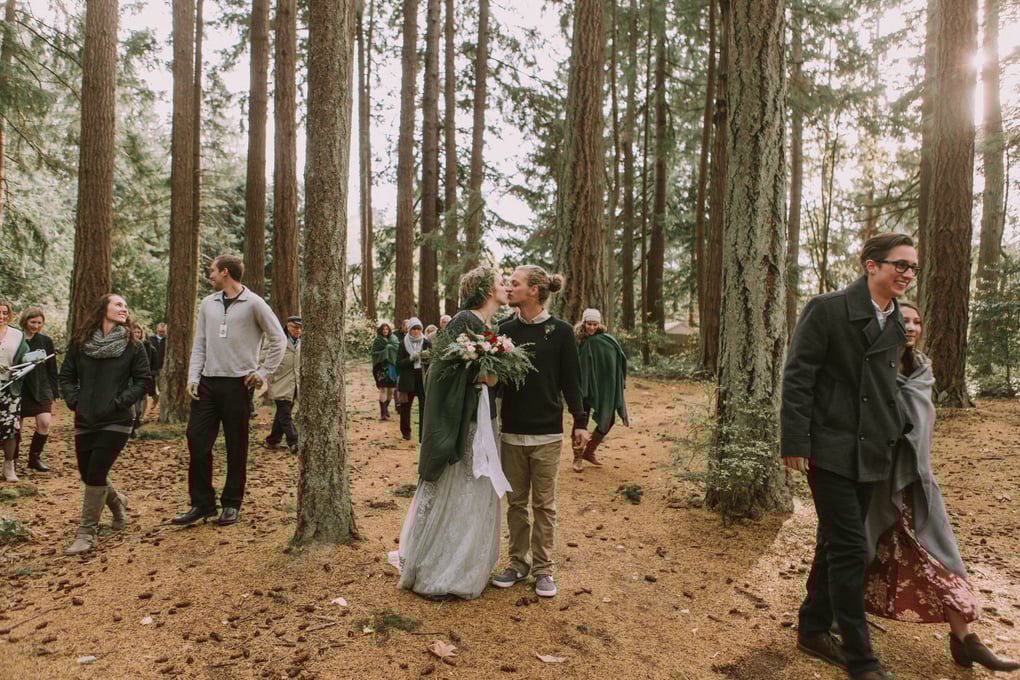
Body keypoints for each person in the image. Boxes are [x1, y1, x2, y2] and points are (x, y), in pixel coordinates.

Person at [782, 232, 918, 680]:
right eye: (899, 264)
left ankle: (813, 628)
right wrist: (795, 442)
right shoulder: (827, 309)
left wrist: (901, 432)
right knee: (850, 549)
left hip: (874, 451)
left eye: (912, 267)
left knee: (834, 542)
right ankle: (862, 661)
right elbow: (799, 377)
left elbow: (885, 390)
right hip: (831, 448)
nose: (907, 274)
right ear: (870, 265)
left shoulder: (898, 321)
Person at [863, 301, 1019, 672]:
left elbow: (919, 426)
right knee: (863, 552)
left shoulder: (922, 370)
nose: (913, 327)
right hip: (876, 480)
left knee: (941, 555)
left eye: (918, 321)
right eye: (905, 320)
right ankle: (839, 628)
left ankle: (967, 639)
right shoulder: (870, 366)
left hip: (918, 481)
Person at [393, 266, 512, 600]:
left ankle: (468, 564)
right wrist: (478, 380)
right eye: (501, 283)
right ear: (488, 289)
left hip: (485, 420)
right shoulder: (463, 321)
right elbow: (441, 373)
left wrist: (492, 377)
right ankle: (439, 571)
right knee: (458, 489)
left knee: (477, 492)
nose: (505, 288)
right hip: (464, 423)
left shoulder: (493, 327)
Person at [492, 266, 589, 598]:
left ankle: (544, 570)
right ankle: (518, 564)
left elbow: (571, 382)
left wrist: (580, 422)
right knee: (516, 503)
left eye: (515, 283)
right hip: (511, 433)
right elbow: (495, 385)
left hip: (547, 434)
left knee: (544, 506)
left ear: (533, 290)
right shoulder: (503, 330)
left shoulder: (561, 332)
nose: (509, 288)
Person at [172, 255, 286, 527]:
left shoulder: (254, 303)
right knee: (196, 441)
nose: (209, 275)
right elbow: (199, 343)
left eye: (212, 270)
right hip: (208, 383)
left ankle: (231, 504)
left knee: (237, 446)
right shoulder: (207, 304)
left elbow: (278, 339)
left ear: (225, 272)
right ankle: (202, 503)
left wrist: (261, 372)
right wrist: (193, 376)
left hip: (239, 384)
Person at [59, 294, 150, 554]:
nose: (125, 308)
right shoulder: (80, 343)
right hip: (85, 416)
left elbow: (143, 380)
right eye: (118, 304)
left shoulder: (133, 344)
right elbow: (66, 376)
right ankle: (118, 502)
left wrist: (119, 402)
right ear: (103, 309)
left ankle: (86, 534)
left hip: (117, 419)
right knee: (87, 474)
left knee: (97, 473)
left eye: (126, 305)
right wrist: (75, 401)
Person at [572, 308, 628, 473]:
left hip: (602, 386)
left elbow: (619, 358)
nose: (592, 327)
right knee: (580, 421)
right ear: (584, 323)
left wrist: (618, 380)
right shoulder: (577, 340)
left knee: (609, 418)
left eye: (595, 324)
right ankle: (577, 457)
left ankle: (590, 451)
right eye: (589, 324)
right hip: (582, 386)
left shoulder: (606, 340)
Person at [18, 308, 59, 472]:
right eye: (32, 322)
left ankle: (34, 458)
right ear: (25, 321)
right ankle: (11, 459)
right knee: (15, 427)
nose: (36, 326)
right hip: (20, 388)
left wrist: (54, 390)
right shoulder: (16, 338)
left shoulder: (46, 341)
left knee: (44, 422)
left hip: (42, 386)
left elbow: (51, 367)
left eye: (39, 323)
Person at [1, 298, 29, 482]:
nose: (1, 316)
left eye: (4, 312)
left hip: (9, 389)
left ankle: (9, 466)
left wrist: (35, 358)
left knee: (10, 428)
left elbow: (25, 357)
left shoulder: (17, 335)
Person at [264, 316, 301, 454]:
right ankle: (294, 441)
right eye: (295, 327)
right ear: (287, 326)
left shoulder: (301, 342)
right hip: (279, 382)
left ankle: (273, 440)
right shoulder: (277, 340)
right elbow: (264, 357)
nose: (298, 331)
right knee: (285, 415)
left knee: (282, 413)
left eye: (299, 328)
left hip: (294, 385)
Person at [397, 317, 431, 442]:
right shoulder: (402, 344)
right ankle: (406, 433)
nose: (416, 331)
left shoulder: (426, 343)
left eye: (418, 329)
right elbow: (398, 363)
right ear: (409, 330)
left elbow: (432, 361)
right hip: (407, 380)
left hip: (422, 379)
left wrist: (426, 358)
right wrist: (412, 358)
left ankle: (423, 435)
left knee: (424, 408)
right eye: (413, 329)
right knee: (405, 407)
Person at [130, 322, 157, 435]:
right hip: (130, 379)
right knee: (132, 404)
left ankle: (137, 422)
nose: (136, 334)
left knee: (141, 402)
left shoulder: (147, 346)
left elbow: (151, 362)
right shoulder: (127, 345)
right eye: (134, 332)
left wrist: (150, 374)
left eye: (138, 332)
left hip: (142, 377)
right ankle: (132, 427)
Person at [371, 323, 399, 420]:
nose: (385, 331)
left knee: (391, 390)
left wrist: (390, 348)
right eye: (383, 329)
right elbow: (374, 353)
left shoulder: (394, 339)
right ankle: (383, 414)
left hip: (392, 367)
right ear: (380, 330)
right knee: (383, 389)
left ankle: (386, 409)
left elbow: (397, 350)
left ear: (389, 330)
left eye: (387, 329)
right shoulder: (377, 340)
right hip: (381, 367)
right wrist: (385, 351)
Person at [148, 322, 167, 413]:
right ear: (156, 329)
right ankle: (155, 399)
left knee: (162, 387)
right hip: (152, 367)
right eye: (160, 331)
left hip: (163, 368)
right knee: (150, 387)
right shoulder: (150, 339)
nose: (161, 333)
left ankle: (161, 407)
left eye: (163, 331)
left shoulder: (168, 340)